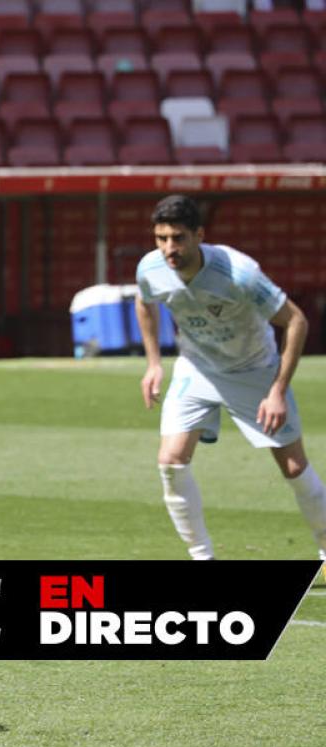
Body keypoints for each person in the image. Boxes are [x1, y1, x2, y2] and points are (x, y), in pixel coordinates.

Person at [135, 194, 326, 572]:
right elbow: (145, 302)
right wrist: (154, 363)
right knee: (170, 462)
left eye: (178, 238)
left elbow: (296, 321)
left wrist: (276, 390)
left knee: (293, 467)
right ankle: (203, 560)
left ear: (199, 235)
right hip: (197, 368)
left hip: (254, 370)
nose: (169, 248)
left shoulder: (238, 273)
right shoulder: (151, 268)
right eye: (161, 238)